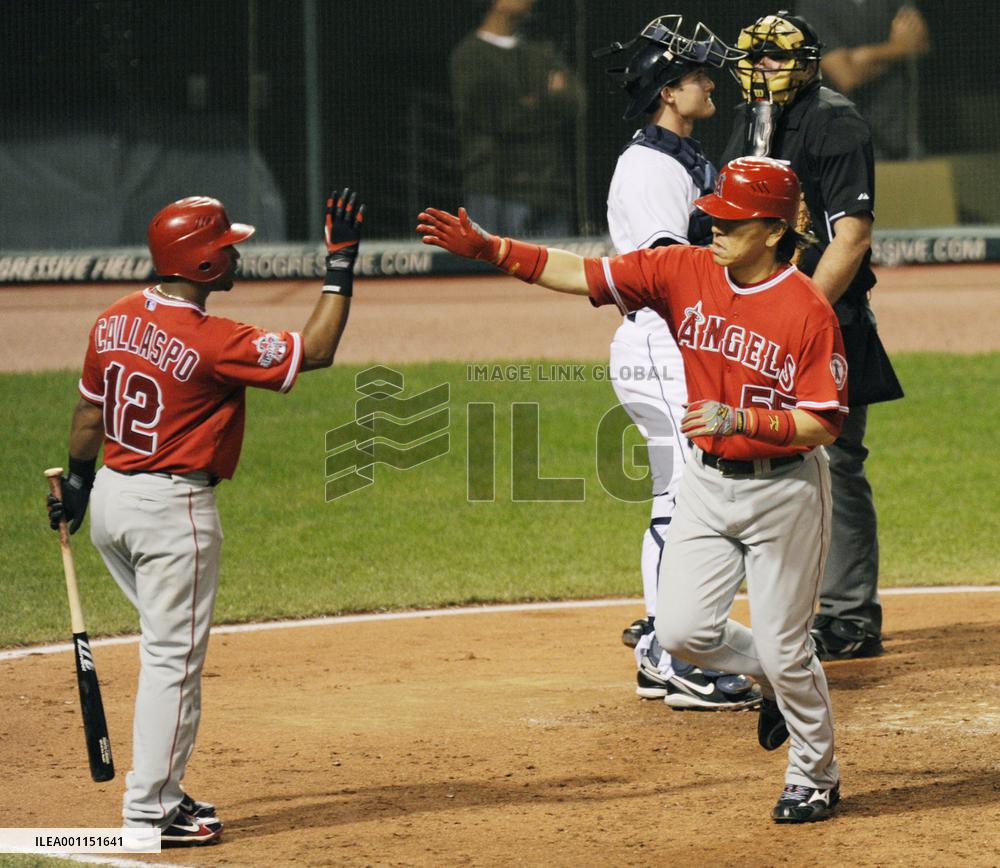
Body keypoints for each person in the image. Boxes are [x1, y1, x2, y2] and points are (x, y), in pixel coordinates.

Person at [417, 155, 849, 822]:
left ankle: (814, 774)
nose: (712, 224)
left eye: (730, 219)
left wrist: (745, 420)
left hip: (783, 492)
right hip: (707, 481)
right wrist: (489, 248)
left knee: (789, 646)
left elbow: (821, 421)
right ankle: (773, 677)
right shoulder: (684, 269)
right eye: (712, 213)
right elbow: (582, 273)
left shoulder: (806, 310)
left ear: (770, 229)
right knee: (680, 631)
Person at [45, 189, 364, 844]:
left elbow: (87, 417)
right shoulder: (216, 340)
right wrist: (341, 265)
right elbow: (320, 349)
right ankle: (150, 813)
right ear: (204, 266)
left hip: (110, 499)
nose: (236, 254)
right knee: (173, 661)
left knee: (165, 646)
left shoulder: (111, 322)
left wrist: (75, 482)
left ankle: (166, 792)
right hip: (171, 513)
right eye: (226, 247)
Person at [721, 12, 903, 661]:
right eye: (755, 58)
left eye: (775, 59)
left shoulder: (834, 121)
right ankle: (789, 609)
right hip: (765, 322)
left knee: (835, 464)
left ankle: (851, 616)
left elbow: (850, 236)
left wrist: (798, 314)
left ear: (806, 63)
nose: (762, 69)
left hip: (830, 323)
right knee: (765, 464)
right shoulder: (753, 119)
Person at [596, 15, 758, 710]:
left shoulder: (684, 158)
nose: (709, 82)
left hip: (681, 344)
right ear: (667, 91)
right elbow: (671, 267)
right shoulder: (647, 167)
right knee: (686, 501)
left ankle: (663, 654)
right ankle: (676, 653)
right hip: (662, 344)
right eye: (696, 77)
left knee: (677, 499)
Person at [449, 0, 584, 236]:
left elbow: (575, 101)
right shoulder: (469, 55)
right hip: (496, 190)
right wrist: (547, 100)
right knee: (496, 270)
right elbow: (498, 118)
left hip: (550, 189)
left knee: (556, 268)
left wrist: (532, 102)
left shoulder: (541, 51)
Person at [796, 1, 930, 160]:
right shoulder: (814, 5)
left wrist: (866, 56)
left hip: (902, 136)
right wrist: (899, 50)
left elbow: (919, 44)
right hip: (844, 140)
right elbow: (846, 76)